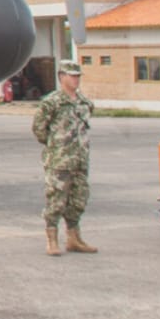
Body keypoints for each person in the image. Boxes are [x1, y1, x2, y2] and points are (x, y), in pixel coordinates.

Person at [32, 59, 97, 256]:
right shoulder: (52, 102)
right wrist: (56, 147)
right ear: (62, 77)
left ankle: (74, 238)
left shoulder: (85, 103)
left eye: (78, 76)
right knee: (56, 200)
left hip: (80, 160)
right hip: (59, 161)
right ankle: (52, 240)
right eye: (72, 76)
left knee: (79, 199)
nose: (76, 80)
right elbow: (39, 129)